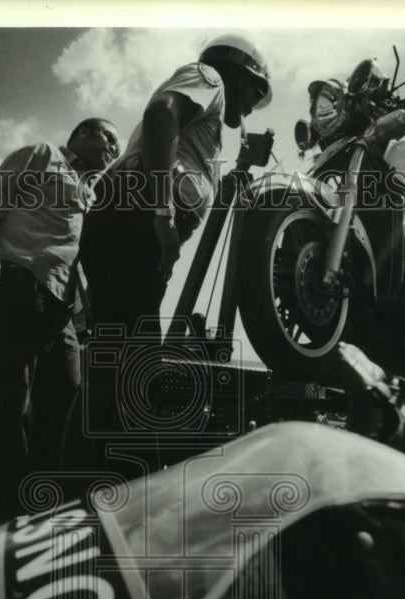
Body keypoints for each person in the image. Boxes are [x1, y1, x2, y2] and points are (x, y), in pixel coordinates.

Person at [72, 36, 271, 476]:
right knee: (136, 361)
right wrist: (163, 211)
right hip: (140, 214)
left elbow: (181, 154)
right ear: (238, 71)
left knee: (115, 357)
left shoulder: (208, 121)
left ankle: (81, 484)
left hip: (130, 220)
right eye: (256, 91)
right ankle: (128, 490)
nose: (254, 106)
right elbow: (160, 113)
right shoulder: (210, 78)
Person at [0, 117, 119, 523]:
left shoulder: (94, 192)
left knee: (68, 410)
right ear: (84, 133)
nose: (114, 149)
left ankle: (50, 514)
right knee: (9, 401)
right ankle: (3, 517)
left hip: (61, 310)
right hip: (18, 282)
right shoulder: (43, 155)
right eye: (109, 138)